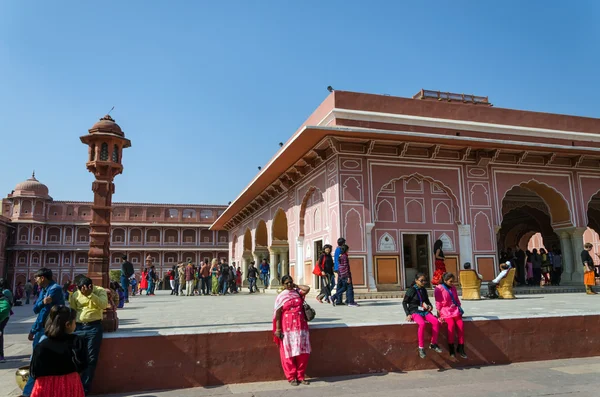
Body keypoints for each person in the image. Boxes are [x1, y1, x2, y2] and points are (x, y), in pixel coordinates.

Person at [22, 268, 66, 397]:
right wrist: (33, 330)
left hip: (50, 330)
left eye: (36, 278)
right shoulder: (44, 290)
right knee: (37, 361)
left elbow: (45, 312)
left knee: (38, 361)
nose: (35, 280)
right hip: (42, 329)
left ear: (43, 278)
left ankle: (29, 392)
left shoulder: (55, 289)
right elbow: (36, 309)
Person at [29, 305, 87, 397]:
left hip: (45, 386)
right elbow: (82, 364)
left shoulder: (41, 346)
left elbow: (34, 372)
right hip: (69, 384)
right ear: (68, 324)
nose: (75, 325)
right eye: (74, 322)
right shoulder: (76, 342)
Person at [68, 276, 108, 395]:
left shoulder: (100, 291)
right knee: (76, 357)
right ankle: (74, 387)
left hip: (94, 328)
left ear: (90, 286)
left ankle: (84, 389)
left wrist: (90, 295)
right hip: (79, 327)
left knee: (91, 358)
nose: (82, 291)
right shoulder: (76, 294)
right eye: (80, 289)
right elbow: (73, 309)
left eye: (83, 289)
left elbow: (103, 305)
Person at [273, 275, 311, 386]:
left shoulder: (298, 292)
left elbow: (307, 289)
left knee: (303, 352)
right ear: (283, 285)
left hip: (301, 327)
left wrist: (296, 286)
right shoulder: (281, 297)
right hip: (287, 328)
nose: (289, 284)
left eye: (290, 282)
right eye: (287, 283)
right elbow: (278, 314)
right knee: (288, 353)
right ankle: (291, 376)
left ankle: (300, 376)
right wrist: (278, 329)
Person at [403, 273, 441, 359]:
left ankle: (433, 343)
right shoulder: (411, 290)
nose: (423, 282)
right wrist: (408, 314)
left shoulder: (423, 289)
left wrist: (430, 306)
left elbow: (426, 300)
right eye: (421, 280)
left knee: (435, 321)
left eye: (425, 280)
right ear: (416, 281)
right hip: (414, 311)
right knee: (422, 324)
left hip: (424, 311)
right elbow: (404, 302)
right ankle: (421, 347)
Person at [435, 273, 467, 359]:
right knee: (451, 325)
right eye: (450, 281)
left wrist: (459, 306)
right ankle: (451, 348)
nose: (452, 283)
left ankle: (461, 347)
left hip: (455, 310)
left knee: (460, 326)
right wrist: (439, 313)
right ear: (445, 280)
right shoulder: (439, 288)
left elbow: (456, 299)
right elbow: (438, 302)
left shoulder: (453, 288)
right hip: (445, 311)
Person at [0, 281, 12, 363]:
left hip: (3, 315)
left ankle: (1, 355)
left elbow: (6, 307)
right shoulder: (6, 292)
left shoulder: (5, 293)